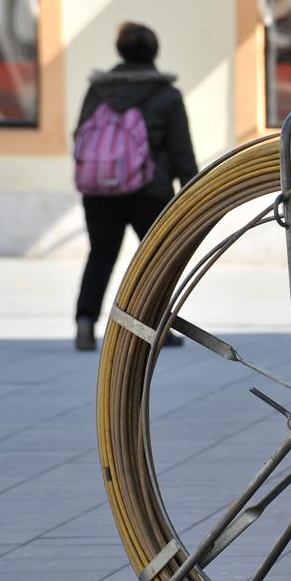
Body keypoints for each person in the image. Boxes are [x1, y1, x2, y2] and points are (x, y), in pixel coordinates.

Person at [73, 22, 197, 351]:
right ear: (153, 52)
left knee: (100, 255)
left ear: (120, 52)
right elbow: (181, 151)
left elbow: (80, 135)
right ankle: (157, 328)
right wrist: (194, 193)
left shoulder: (98, 90)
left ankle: (85, 322)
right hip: (149, 191)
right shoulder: (167, 95)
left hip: (99, 192)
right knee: (156, 260)